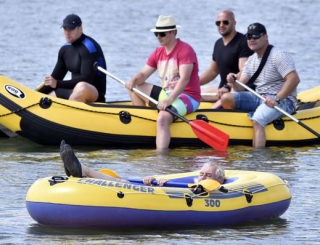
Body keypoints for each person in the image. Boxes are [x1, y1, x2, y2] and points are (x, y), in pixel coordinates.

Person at [124, 15, 201, 151]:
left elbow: (184, 80)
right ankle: (143, 124)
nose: (158, 37)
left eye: (162, 33)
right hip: (167, 94)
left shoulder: (185, 50)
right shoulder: (158, 52)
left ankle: (161, 158)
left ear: (173, 32)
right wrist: (133, 80)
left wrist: (169, 100)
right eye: (156, 34)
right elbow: (143, 74)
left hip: (188, 96)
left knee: (163, 117)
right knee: (135, 88)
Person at [221, 23, 300, 148]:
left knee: (257, 120)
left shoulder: (278, 56)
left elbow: (294, 79)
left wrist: (277, 98)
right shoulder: (251, 60)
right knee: (226, 98)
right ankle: (238, 129)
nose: (252, 39)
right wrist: (233, 81)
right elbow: (240, 88)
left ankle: (259, 159)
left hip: (283, 100)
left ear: (266, 37)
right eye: (249, 36)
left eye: (256, 36)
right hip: (260, 97)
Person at [59, 140, 225, 185]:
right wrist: (154, 180)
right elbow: (181, 181)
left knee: (121, 183)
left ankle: (83, 171)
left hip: (171, 196)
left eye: (207, 175)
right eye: (201, 174)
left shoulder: (215, 188)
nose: (202, 178)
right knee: (120, 181)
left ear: (218, 180)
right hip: (158, 191)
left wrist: (165, 184)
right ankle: (83, 170)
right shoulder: (194, 182)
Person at [41, 14, 107, 102]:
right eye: (65, 29)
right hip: (72, 90)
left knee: (81, 86)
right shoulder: (65, 49)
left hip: (94, 94)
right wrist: (34, 94)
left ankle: (68, 114)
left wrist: (57, 83)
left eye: (71, 29)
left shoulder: (89, 47)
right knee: (45, 99)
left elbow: (86, 78)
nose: (67, 33)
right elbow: (55, 78)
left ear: (80, 29)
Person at [200, 10, 253, 108]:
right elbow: (212, 71)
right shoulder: (218, 43)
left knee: (213, 109)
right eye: (218, 23)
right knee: (197, 94)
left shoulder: (243, 42)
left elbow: (244, 71)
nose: (221, 25)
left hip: (238, 89)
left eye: (225, 22)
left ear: (234, 23)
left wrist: (227, 86)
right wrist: (192, 83)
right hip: (222, 89)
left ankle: (213, 113)